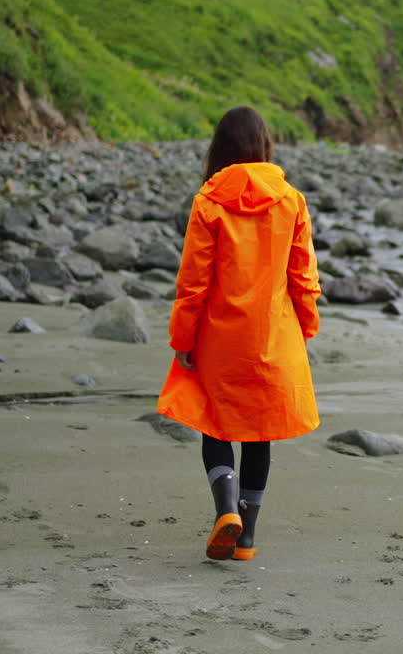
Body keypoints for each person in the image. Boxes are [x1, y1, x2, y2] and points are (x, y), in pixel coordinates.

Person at [156, 106, 321, 561]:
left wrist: (183, 339)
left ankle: (225, 507)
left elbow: (193, 281)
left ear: (220, 149)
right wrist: (306, 326)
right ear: (264, 146)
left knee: (216, 422)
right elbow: (303, 276)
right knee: (259, 431)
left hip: (219, 336)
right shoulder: (291, 200)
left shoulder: (209, 201)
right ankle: (245, 536)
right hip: (272, 335)